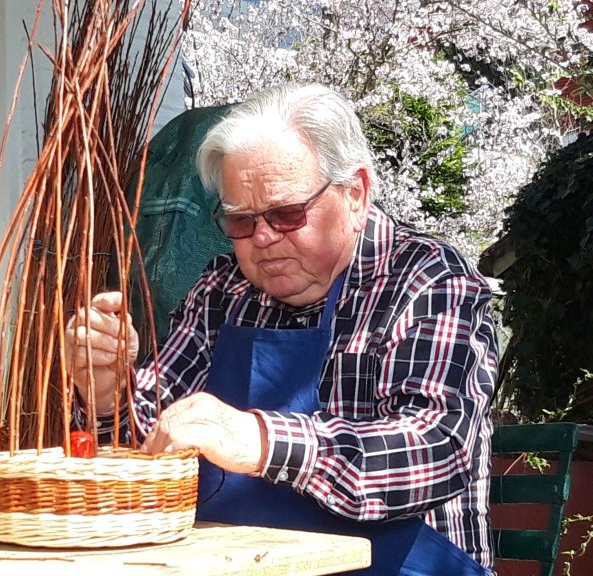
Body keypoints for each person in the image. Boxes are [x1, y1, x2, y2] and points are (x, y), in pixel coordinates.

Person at [66, 82, 498, 575]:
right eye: (241, 220)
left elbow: (435, 448)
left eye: (287, 214)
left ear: (355, 193)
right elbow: (156, 439)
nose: (264, 239)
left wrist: (260, 439)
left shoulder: (429, 281)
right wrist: (106, 395)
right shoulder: (223, 290)